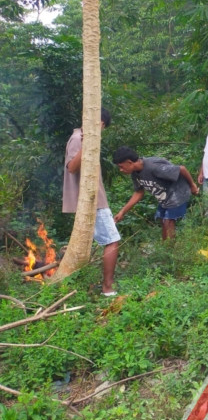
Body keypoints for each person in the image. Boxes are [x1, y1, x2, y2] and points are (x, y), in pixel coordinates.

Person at [62, 108, 120, 296]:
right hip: (92, 201)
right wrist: (87, 144)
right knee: (112, 240)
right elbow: (71, 167)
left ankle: (80, 285)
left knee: (91, 243)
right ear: (100, 123)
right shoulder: (78, 138)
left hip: (94, 199)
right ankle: (107, 288)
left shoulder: (83, 138)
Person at [112, 147, 200, 239]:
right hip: (164, 198)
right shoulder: (135, 173)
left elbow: (181, 169)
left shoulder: (154, 167)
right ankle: (165, 246)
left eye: (121, 166)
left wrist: (192, 186)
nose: (120, 170)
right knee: (162, 221)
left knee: (168, 222)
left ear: (129, 162)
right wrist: (122, 212)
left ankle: (170, 250)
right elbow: (139, 193)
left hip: (177, 193)